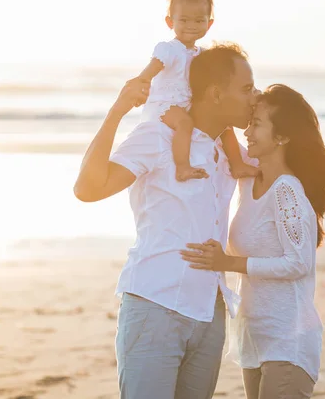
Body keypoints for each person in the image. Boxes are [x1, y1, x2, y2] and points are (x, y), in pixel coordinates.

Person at [74, 42, 259, 399]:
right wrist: (117, 111)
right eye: (247, 89)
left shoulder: (228, 151)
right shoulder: (159, 136)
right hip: (155, 307)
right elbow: (87, 189)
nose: (254, 97)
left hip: (210, 313)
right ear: (216, 94)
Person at [181, 84, 325, 399]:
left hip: (289, 340)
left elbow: (298, 263)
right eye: (249, 122)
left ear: (282, 137)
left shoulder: (286, 190)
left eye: (258, 124)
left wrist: (229, 263)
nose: (247, 131)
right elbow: (221, 130)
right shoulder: (248, 181)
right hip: (254, 339)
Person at [135, 0, 257, 181]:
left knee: (225, 126)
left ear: (209, 24)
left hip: (187, 104)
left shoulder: (201, 54)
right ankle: (183, 167)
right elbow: (151, 70)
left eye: (199, 21)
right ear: (169, 21)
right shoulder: (169, 49)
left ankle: (238, 164)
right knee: (185, 123)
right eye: (183, 20)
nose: (191, 26)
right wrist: (142, 82)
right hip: (166, 105)